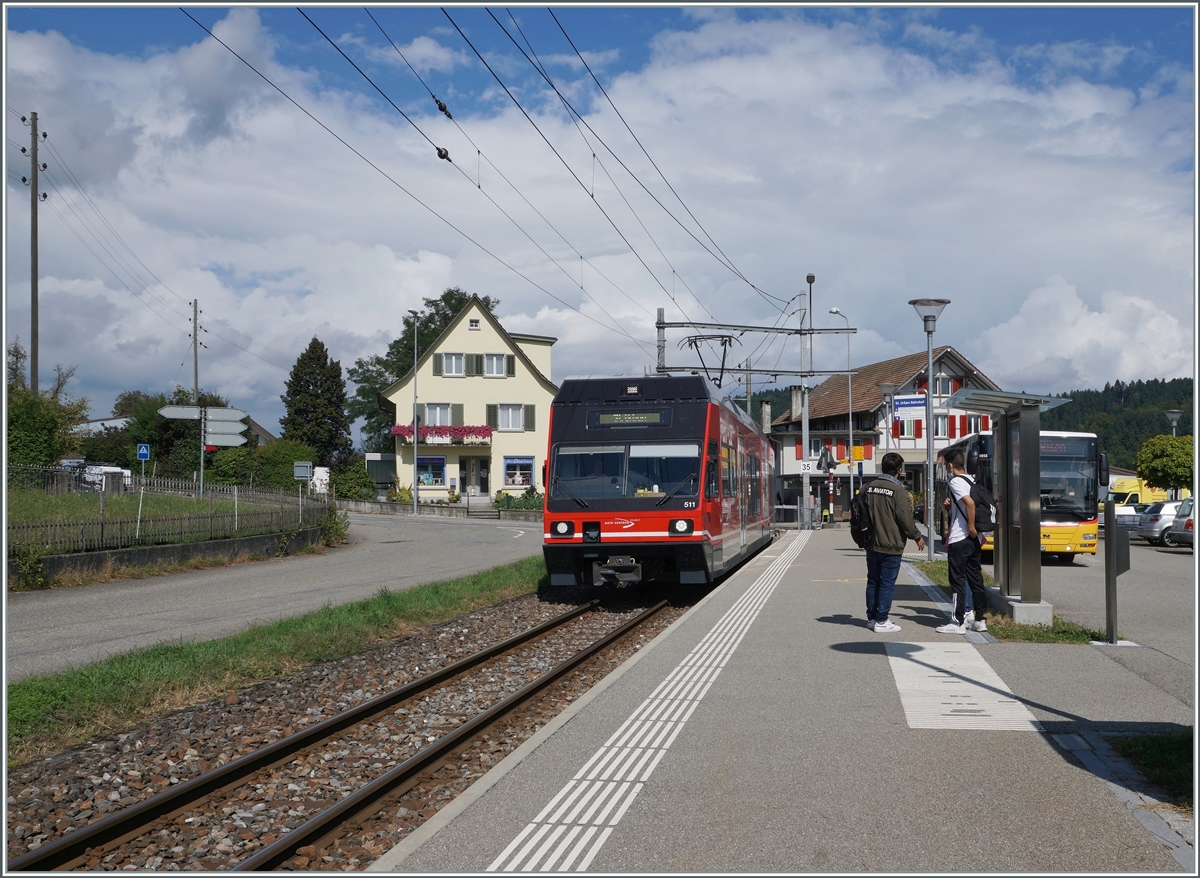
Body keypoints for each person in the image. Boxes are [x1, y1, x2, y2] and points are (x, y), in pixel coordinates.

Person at [863, 452, 926, 633]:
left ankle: (872, 618)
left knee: (873, 581)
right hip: (891, 545)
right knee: (887, 583)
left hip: (871, 543)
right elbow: (905, 519)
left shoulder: (869, 487)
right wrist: (917, 536)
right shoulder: (898, 491)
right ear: (899, 470)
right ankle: (882, 620)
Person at [937, 449, 988, 634]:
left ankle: (958, 621)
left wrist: (971, 527)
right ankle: (981, 619)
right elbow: (966, 506)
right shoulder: (972, 480)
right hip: (975, 540)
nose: (946, 468)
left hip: (961, 538)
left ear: (950, 465)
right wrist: (951, 509)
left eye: (945, 465)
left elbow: (970, 504)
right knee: (976, 580)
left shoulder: (956, 481)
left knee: (957, 580)